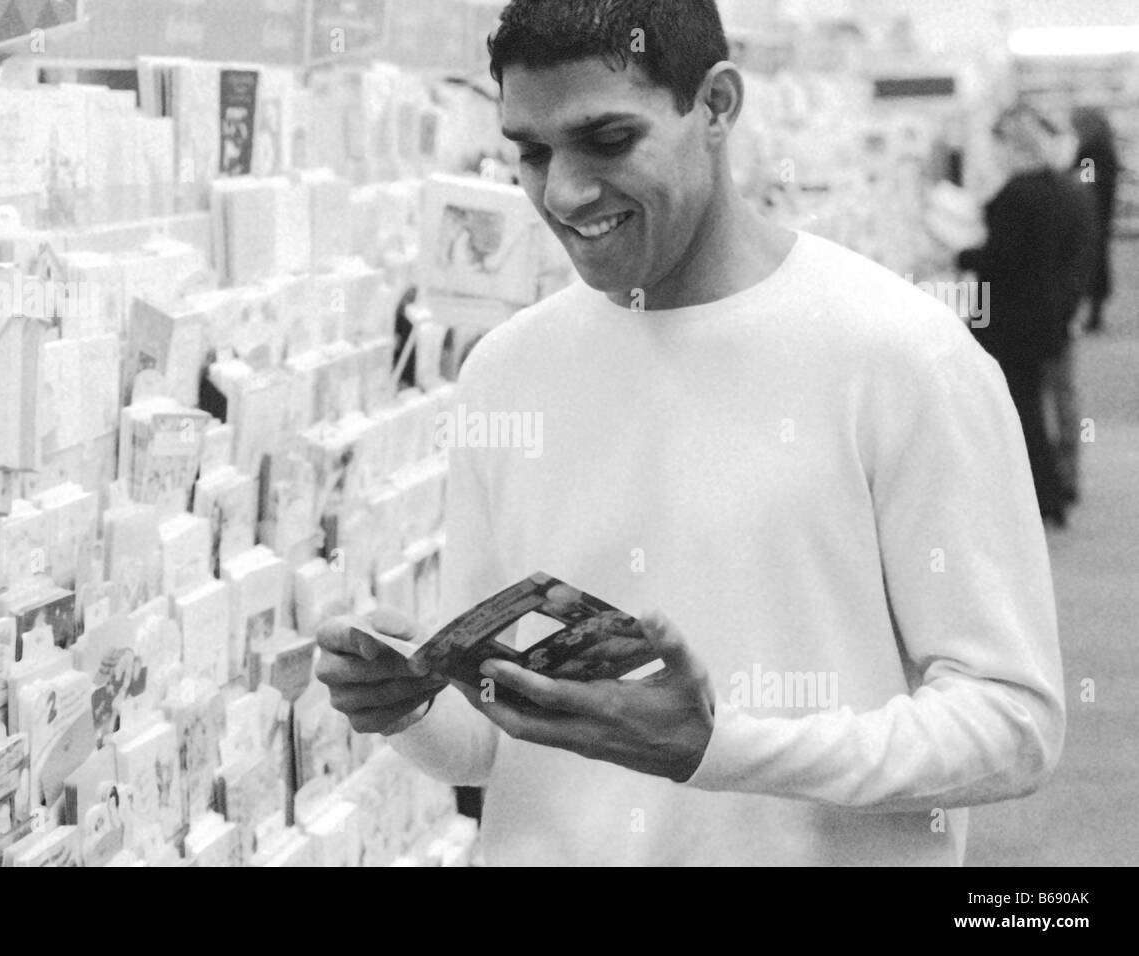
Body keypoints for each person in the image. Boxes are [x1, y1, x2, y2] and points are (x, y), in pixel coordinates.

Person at [317, 0, 1065, 866]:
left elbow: (1012, 724)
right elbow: (489, 741)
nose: (562, 193)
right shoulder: (506, 370)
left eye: (606, 140)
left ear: (715, 106)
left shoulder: (903, 355)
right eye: (531, 152)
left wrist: (716, 748)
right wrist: (407, 704)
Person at [959, 105, 1095, 527]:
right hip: (1049, 317)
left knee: (1023, 410)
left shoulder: (1017, 196)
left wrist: (963, 254)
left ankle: (1041, 492)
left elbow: (1003, 259)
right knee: (1047, 402)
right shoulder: (1066, 192)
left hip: (1013, 322)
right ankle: (1056, 487)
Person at [1070, 107, 1120, 334]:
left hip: (1091, 211)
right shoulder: (1105, 146)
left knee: (1093, 261)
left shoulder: (1091, 149)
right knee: (1098, 260)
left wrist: (1069, 180)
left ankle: (1093, 315)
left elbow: (1087, 177)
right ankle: (1095, 313)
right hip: (1101, 210)